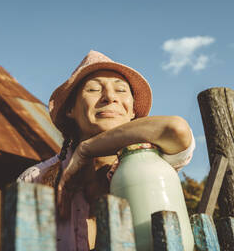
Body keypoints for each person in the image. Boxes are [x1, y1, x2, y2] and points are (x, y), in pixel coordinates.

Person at [17, 50, 195, 251]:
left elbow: (176, 129)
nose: (110, 97)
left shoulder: (154, 161)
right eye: (93, 90)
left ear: (133, 110)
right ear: (70, 110)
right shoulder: (35, 180)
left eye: (121, 91)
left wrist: (86, 149)